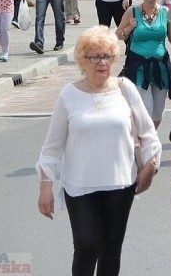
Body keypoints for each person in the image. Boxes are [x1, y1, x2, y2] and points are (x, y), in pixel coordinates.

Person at [36, 25, 161, 276]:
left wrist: (150, 166)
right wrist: (46, 185)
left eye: (107, 56)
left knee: (111, 250)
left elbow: (149, 136)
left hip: (120, 184)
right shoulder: (69, 95)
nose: (102, 62)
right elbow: (52, 146)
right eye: (95, 56)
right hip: (80, 186)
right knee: (87, 245)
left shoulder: (125, 89)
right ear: (83, 60)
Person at [116, 0, 171, 129]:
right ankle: (144, 145)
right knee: (146, 108)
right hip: (138, 66)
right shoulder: (132, 11)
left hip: (160, 66)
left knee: (158, 111)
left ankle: (149, 138)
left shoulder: (165, 12)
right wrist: (129, 27)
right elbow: (119, 35)